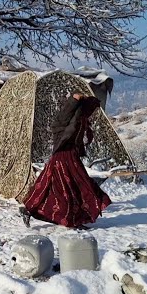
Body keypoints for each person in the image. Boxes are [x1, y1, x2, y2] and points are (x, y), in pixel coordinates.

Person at [21, 92, 111, 230]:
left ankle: (74, 219)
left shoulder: (82, 121)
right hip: (62, 158)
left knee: (68, 189)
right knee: (76, 187)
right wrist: (74, 100)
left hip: (71, 157)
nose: (91, 113)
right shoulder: (66, 123)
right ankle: (30, 210)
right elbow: (62, 117)